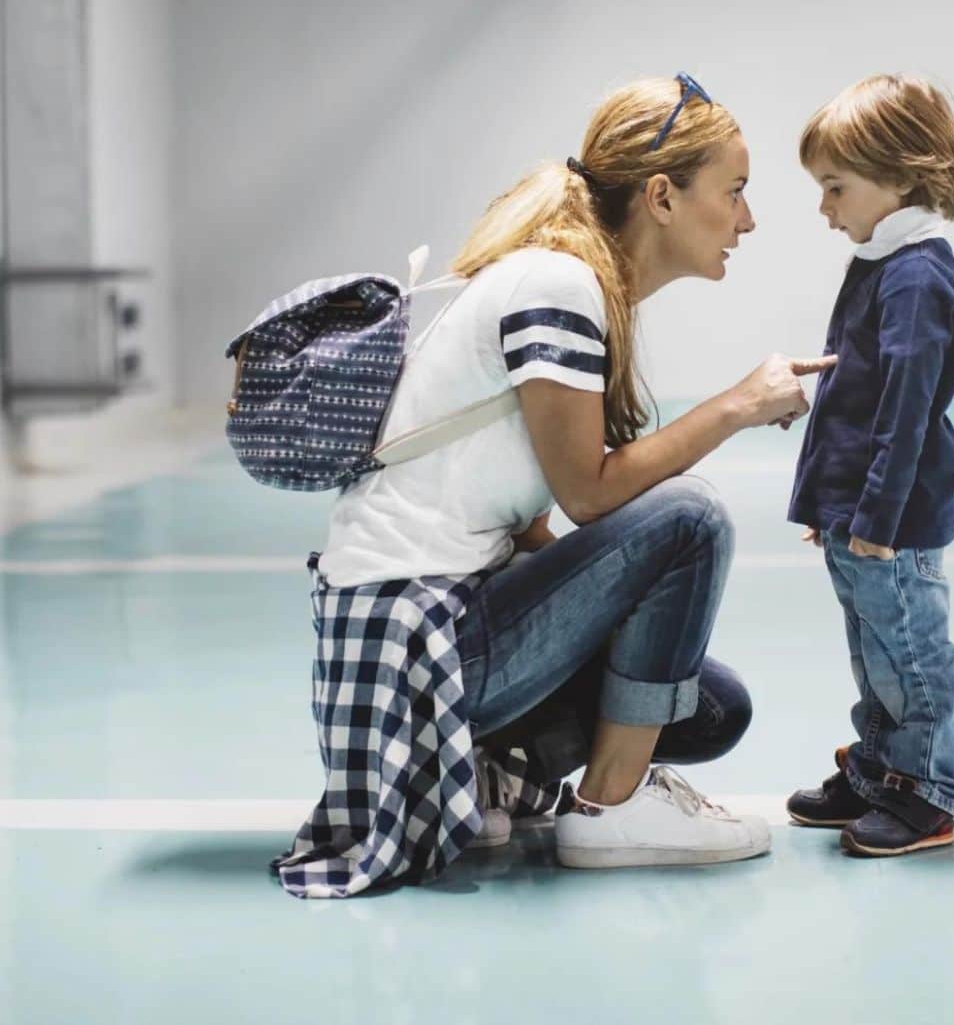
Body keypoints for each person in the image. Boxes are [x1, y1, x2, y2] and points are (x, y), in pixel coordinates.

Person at [283, 73, 834, 892]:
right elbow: (587, 493)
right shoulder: (559, 285)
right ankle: (612, 810)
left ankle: (485, 771)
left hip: (423, 632)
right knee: (689, 518)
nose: (747, 220)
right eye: (736, 192)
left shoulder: (569, 282)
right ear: (662, 196)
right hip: (415, 639)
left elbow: (536, 522)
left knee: (713, 707)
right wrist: (737, 407)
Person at [784, 74, 954, 857]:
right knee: (873, 648)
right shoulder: (880, 261)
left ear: (900, 177)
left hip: (890, 525)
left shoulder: (918, 275)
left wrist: (875, 520)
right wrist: (827, 506)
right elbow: (851, 392)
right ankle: (879, 769)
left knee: (911, 655)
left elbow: (904, 412)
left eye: (835, 187)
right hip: (857, 516)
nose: (824, 209)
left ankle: (926, 790)